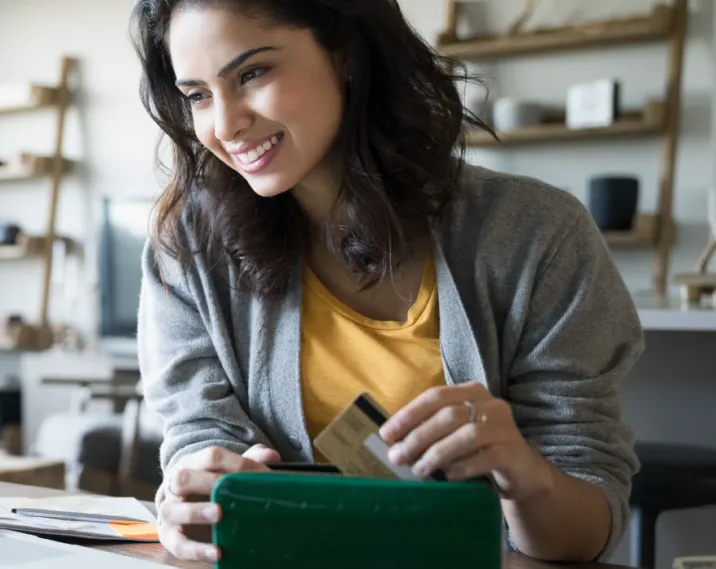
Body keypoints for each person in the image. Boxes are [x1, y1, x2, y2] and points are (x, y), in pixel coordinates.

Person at [130, 0, 644, 564]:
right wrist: (192, 501)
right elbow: (197, 442)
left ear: (345, 53)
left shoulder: (537, 234)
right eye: (198, 94)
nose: (224, 125)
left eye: (253, 73)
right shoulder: (188, 247)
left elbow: (586, 534)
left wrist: (524, 473)